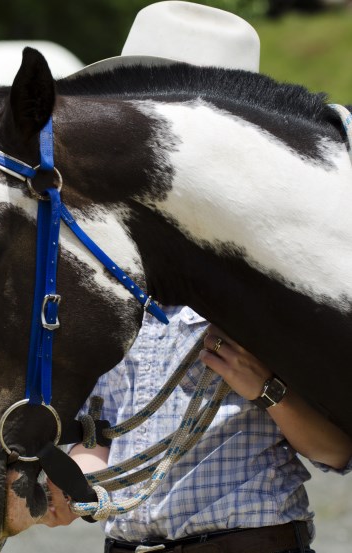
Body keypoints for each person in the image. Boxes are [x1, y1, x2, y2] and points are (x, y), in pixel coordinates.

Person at [40, 3, 352, 553]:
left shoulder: (269, 277)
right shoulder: (116, 282)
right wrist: (75, 484)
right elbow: (107, 437)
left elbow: (335, 452)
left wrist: (268, 389)